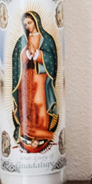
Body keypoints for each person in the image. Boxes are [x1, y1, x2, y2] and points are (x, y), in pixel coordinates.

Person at [11, 10, 60, 152]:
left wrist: (38, 54)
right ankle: (28, 132)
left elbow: (51, 59)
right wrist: (26, 52)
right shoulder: (22, 40)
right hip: (26, 78)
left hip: (40, 78)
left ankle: (42, 131)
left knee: (39, 103)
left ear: (36, 22)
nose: (27, 26)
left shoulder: (46, 39)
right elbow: (17, 58)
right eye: (25, 24)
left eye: (30, 23)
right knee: (28, 104)